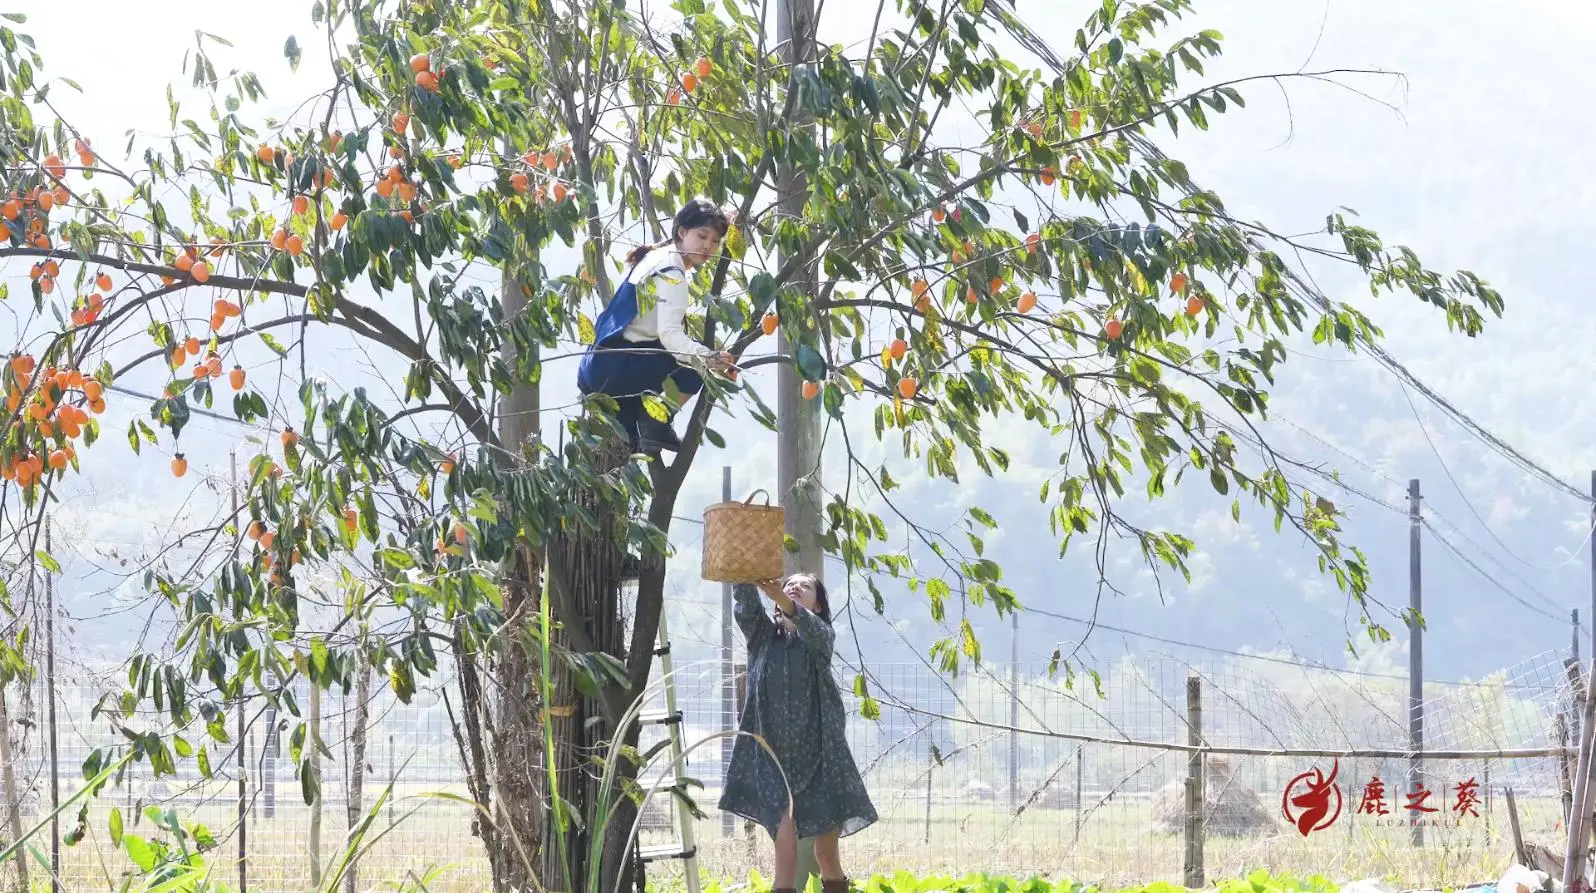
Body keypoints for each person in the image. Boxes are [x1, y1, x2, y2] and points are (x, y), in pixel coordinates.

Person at [718, 574, 877, 893]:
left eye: (805, 586)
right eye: (789, 584)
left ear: (817, 605)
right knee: (785, 857)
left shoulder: (820, 639)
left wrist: (779, 594)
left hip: (821, 762)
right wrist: (747, 572)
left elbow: (816, 630)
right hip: (774, 765)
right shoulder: (762, 638)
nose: (794, 588)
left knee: (826, 855)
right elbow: (747, 607)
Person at [577, 198, 735, 452]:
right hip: (617, 368)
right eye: (702, 236)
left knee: (621, 454)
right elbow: (671, 336)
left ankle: (649, 428)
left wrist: (725, 218)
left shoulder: (657, 256)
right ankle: (657, 422)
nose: (708, 246)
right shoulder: (672, 272)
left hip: (599, 366)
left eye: (715, 241)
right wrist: (710, 358)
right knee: (696, 366)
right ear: (682, 232)